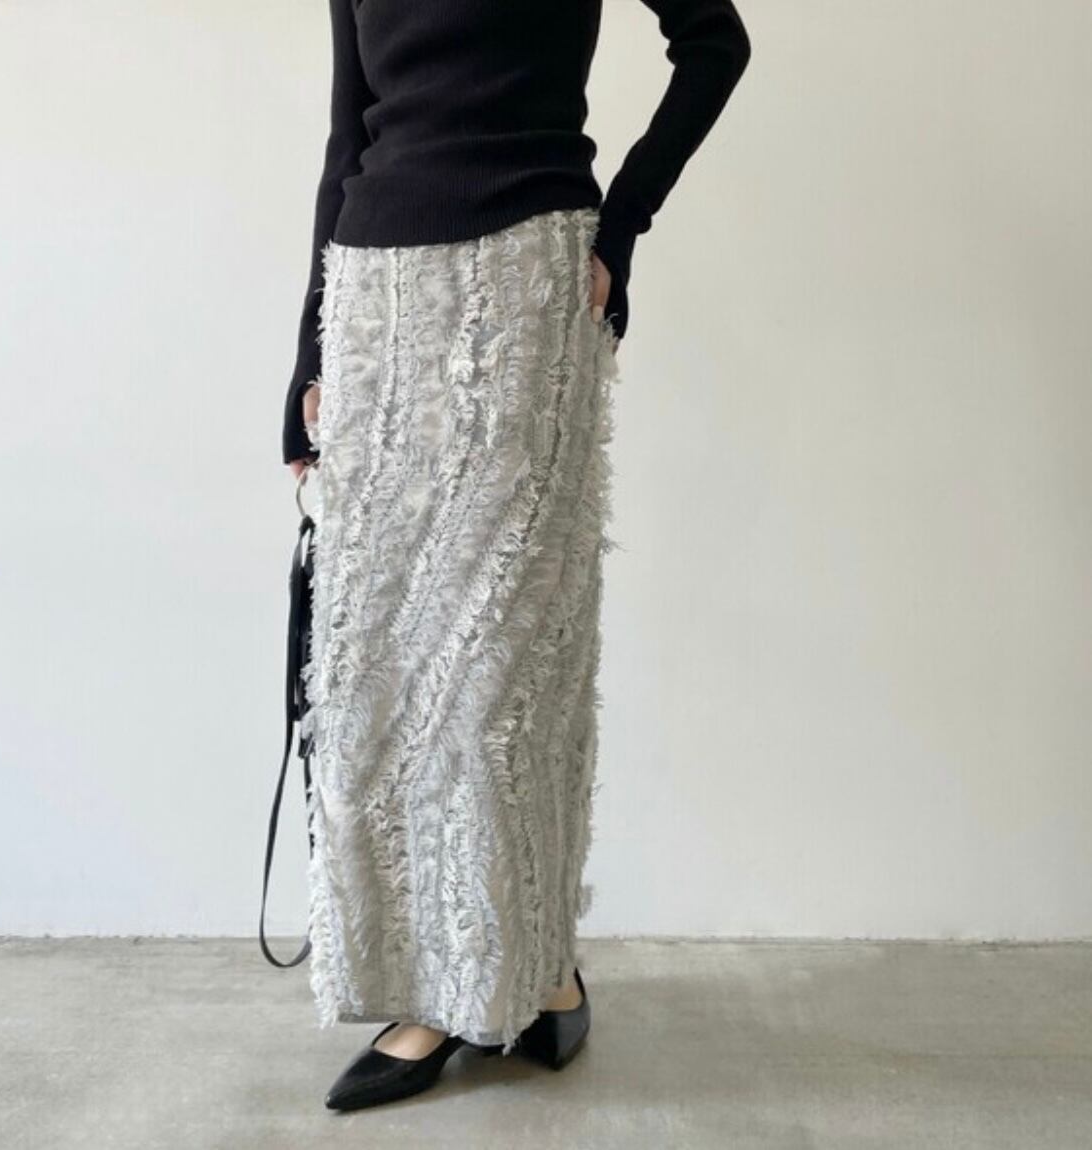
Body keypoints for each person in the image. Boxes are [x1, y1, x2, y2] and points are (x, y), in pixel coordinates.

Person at [280, 0, 751, 1112]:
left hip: (527, 289)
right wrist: (307, 359)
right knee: (383, 666)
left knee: (505, 666)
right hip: (376, 304)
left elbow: (715, 43)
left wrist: (620, 229)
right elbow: (350, 130)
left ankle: (518, 970)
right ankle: (475, 981)